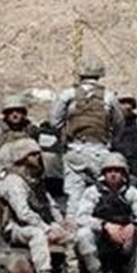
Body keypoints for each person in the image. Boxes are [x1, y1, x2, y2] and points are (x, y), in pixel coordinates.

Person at [0, 138, 89, 273]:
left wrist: (61, 223)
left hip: (35, 223)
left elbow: (49, 204)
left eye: (38, 154)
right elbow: (23, 213)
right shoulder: (13, 182)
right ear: (22, 157)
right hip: (14, 227)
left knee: (70, 236)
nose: (38, 157)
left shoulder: (35, 180)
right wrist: (46, 229)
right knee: (37, 235)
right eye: (33, 154)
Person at [50, 57, 123, 218]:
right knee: (105, 191)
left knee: (74, 195)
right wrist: (111, 142)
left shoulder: (67, 95)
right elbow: (119, 124)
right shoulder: (109, 97)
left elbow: (54, 122)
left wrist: (65, 136)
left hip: (74, 151)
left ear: (80, 73)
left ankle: (72, 225)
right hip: (100, 151)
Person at [75, 152, 137, 273]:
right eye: (109, 171)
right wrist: (104, 226)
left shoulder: (131, 192)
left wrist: (134, 225)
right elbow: (81, 218)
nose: (113, 174)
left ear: (123, 173)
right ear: (104, 173)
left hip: (125, 239)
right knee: (83, 234)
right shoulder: (92, 192)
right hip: (101, 241)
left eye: (117, 171)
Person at [0, 94, 40, 166]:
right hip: (2, 167)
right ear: (6, 114)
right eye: (11, 112)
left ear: (23, 113)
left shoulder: (32, 129)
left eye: (18, 111)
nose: (15, 115)